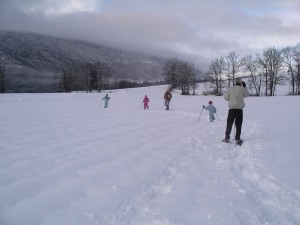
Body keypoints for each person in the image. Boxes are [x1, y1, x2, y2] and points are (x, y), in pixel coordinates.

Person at [223, 77, 250, 145]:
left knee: (229, 124)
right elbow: (246, 95)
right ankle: (237, 139)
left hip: (231, 109)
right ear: (240, 82)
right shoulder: (242, 89)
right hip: (239, 109)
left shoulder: (230, 89)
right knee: (238, 124)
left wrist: (231, 98)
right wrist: (244, 87)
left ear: (235, 82)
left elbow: (226, 98)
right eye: (241, 81)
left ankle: (227, 138)